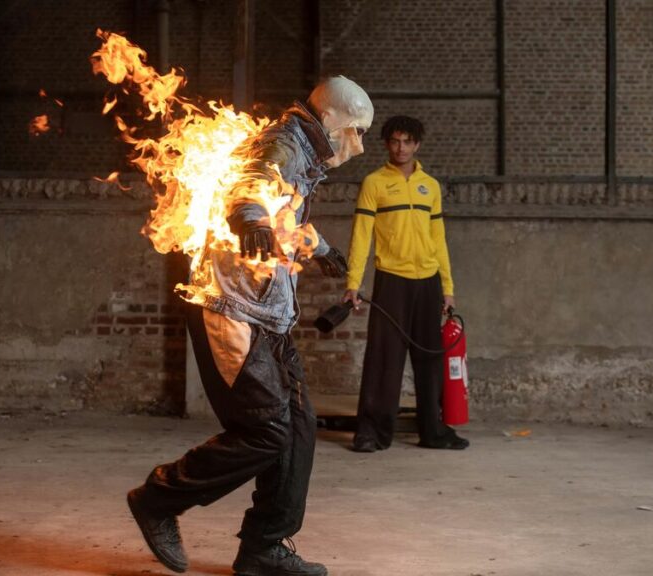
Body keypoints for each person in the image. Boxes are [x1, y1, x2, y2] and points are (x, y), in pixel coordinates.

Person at [127, 76, 373, 576]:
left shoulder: (303, 154)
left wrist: (322, 250)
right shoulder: (282, 143)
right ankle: (158, 498)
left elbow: (282, 211)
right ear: (330, 120)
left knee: (298, 431)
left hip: (269, 315)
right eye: (358, 130)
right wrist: (248, 215)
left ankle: (265, 548)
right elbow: (251, 184)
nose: (360, 143)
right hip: (230, 310)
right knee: (266, 431)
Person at [343, 115, 469, 453]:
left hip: (428, 282)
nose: (401, 148)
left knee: (429, 360)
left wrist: (447, 288)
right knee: (384, 358)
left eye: (407, 142)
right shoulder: (374, 184)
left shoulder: (431, 186)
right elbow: (361, 236)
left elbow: (439, 239)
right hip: (392, 282)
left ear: (417, 144)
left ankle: (433, 431)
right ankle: (371, 433)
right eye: (395, 141)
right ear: (387, 144)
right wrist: (353, 282)